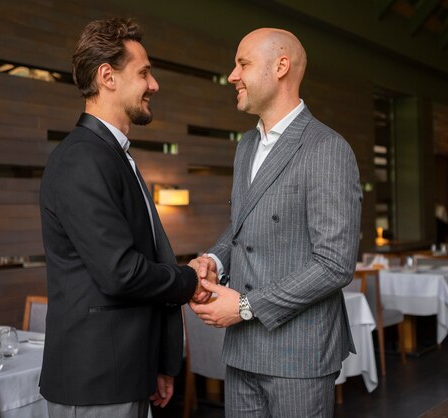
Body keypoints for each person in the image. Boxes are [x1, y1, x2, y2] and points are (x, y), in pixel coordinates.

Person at [39, 18, 212, 418]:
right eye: (144, 72)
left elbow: (148, 258)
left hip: (127, 371)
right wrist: (189, 279)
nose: (154, 85)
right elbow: (121, 272)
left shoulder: (112, 156)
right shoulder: (82, 159)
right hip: (96, 382)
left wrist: (159, 363)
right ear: (108, 77)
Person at [189, 28, 362, 418]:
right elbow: (242, 228)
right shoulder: (245, 145)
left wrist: (246, 306)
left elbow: (335, 264)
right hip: (242, 351)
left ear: (281, 66)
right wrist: (213, 262)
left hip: (298, 355)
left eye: (243, 64)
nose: (232, 75)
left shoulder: (327, 148)